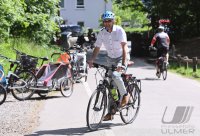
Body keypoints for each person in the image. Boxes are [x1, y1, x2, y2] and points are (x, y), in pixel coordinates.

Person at [88, 11, 130, 121]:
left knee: (116, 75)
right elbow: (97, 47)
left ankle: (125, 96)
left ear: (113, 21)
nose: (107, 23)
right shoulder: (102, 33)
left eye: (109, 21)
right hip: (110, 58)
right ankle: (111, 112)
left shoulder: (119, 31)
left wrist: (123, 64)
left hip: (122, 56)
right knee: (110, 86)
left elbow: (125, 48)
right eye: (105, 21)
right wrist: (92, 59)